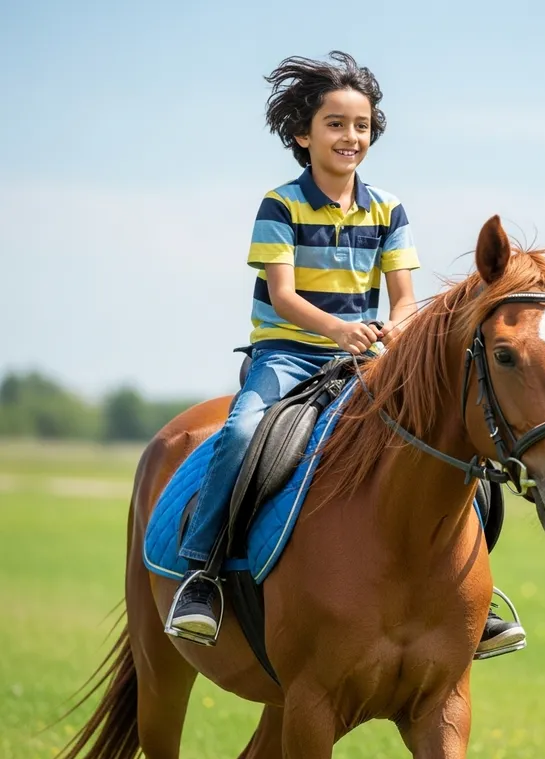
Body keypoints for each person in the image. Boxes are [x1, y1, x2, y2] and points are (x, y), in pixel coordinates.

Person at [166, 51, 526, 658]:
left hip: (366, 359)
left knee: (456, 444)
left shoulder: (389, 209)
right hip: (288, 354)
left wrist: (392, 332)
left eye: (360, 125)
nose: (350, 136)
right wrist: (339, 330)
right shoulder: (281, 206)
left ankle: (474, 596)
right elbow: (281, 295)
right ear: (302, 135)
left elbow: (405, 298)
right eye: (334, 124)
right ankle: (202, 576)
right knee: (241, 432)